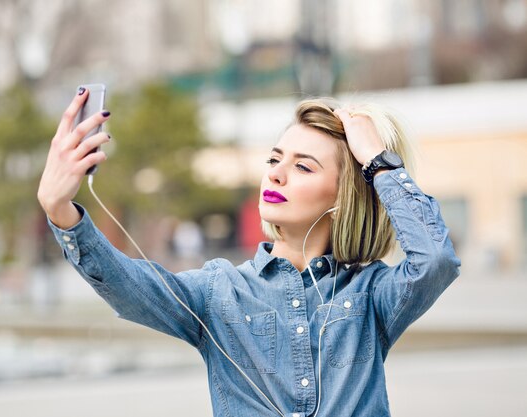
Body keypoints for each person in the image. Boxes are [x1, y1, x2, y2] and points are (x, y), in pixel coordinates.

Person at [37, 87, 460, 417]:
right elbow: (128, 286)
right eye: (275, 159)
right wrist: (61, 211)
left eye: (302, 166)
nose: (275, 173)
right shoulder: (219, 291)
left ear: (343, 196)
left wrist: (377, 163)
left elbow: (435, 261)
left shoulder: (370, 294)